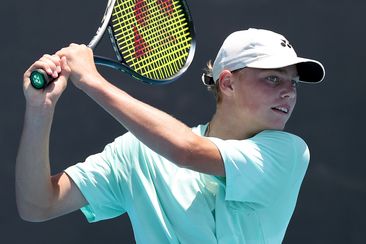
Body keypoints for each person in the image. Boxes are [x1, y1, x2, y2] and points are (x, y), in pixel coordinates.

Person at [16, 28, 325, 243]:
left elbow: (187, 151)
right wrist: (40, 109)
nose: (288, 93)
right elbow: (38, 205)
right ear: (228, 84)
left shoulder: (289, 153)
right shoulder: (136, 153)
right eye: (273, 78)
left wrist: (92, 81)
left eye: (293, 83)